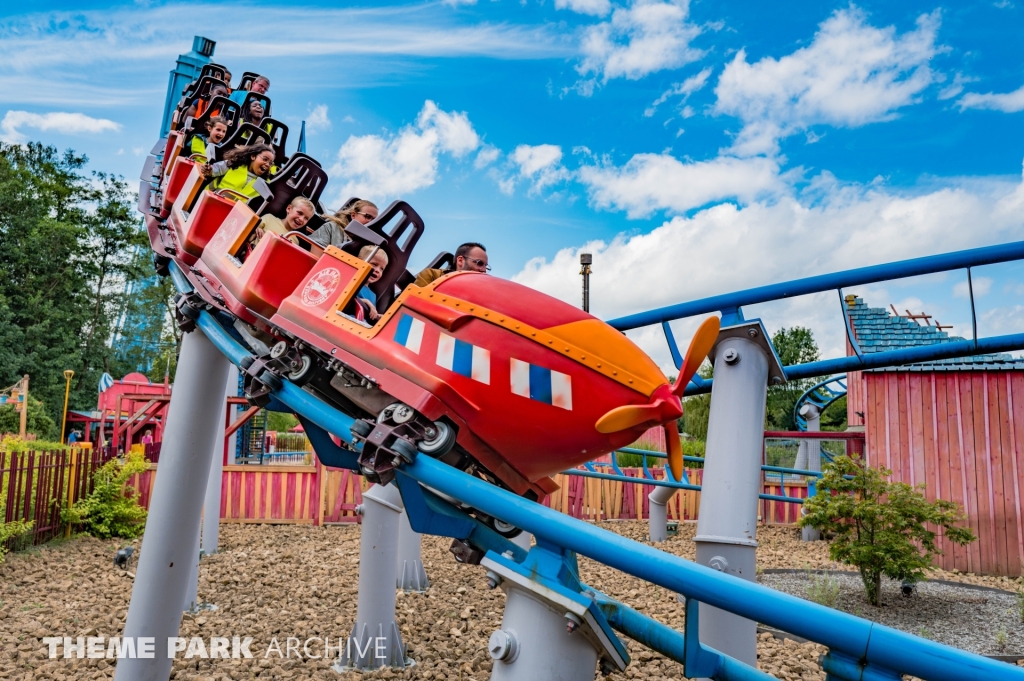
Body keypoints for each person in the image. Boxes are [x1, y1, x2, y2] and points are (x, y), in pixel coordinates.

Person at [200, 143, 275, 201]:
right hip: (214, 199)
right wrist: (209, 170)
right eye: (265, 159)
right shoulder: (234, 164)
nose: (267, 164)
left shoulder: (264, 185)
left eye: (270, 163)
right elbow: (216, 169)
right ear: (253, 156)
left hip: (235, 214)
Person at [310, 198, 378, 249]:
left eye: (374, 220)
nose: (370, 222)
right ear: (353, 215)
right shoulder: (331, 228)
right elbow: (314, 258)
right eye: (368, 216)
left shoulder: (368, 247)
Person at [414, 242, 489, 287]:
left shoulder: (482, 291)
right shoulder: (431, 276)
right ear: (460, 261)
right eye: (479, 263)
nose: (484, 270)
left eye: (486, 266)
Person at [348, 245, 389, 323]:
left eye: (381, 269)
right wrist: (365, 302)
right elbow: (344, 298)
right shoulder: (351, 281)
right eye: (374, 264)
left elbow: (370, 314)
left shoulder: (373, 295)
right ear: (360, 261)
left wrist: (378, 316)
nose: (377, 270)